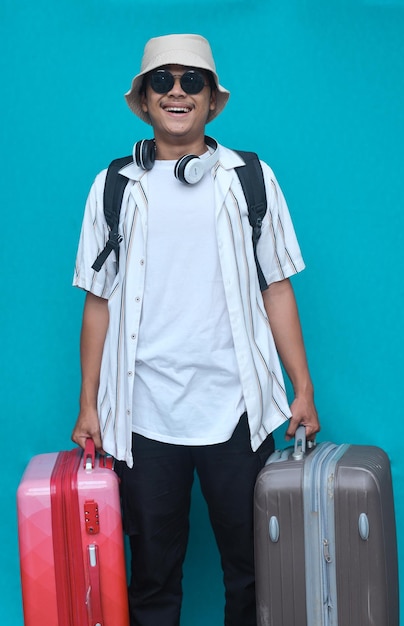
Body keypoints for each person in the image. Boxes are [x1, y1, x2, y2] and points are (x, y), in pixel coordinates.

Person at [71, 33, 320, 626]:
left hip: (238, 409)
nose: (177, 92)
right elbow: (97, 303)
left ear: (211, 100)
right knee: (153, 577)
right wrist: (88, 404)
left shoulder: (250, 179)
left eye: (192, 82)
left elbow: (276, 287)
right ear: (144, 99)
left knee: (254, 571)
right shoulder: (113, 188)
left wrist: (302, 385)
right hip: (144, 414)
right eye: (163, 81)